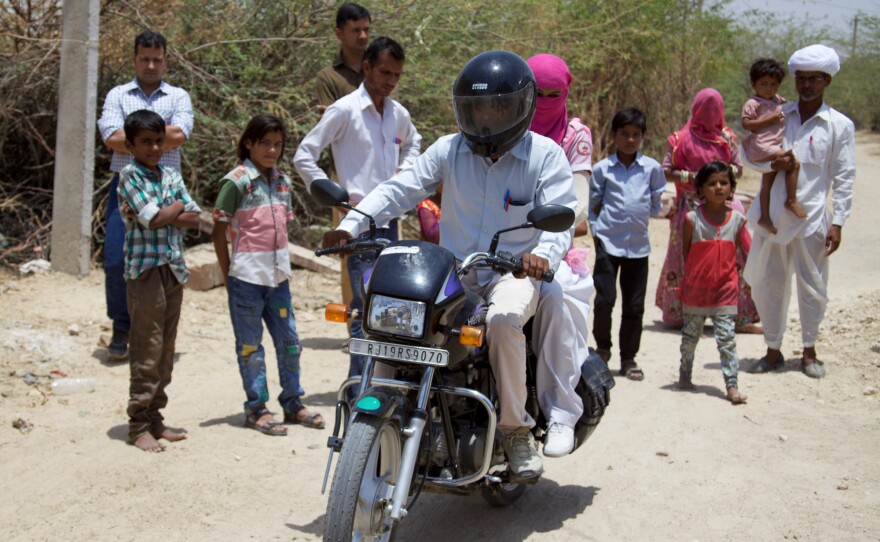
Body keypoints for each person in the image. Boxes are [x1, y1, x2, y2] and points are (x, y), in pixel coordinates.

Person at [322, 50, 584, 476]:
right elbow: (401, 187)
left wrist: (541, 256)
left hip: (512, 272)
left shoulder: (545, 156)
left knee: (503, 320)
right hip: (453, 272)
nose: (486, 118)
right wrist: (352, 225)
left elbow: (560, 218)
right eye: (476, 108)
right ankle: (374, 418)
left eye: (497, 107)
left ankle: (516, 430)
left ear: (520, 106)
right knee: (390, 322)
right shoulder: (450, 149)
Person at [294, 37, 422, 386]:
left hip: (391, 223)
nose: (391, 80)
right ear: (366, 67)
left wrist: (405, 173)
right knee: (362, 310)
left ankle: (384, 385)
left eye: (397, 74)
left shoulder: (398, 114)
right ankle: (358, 392)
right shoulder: (344, 110)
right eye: (385, 71)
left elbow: (415, 142)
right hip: (356, 224)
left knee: (392, 308)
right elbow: (304, 155)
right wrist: (331, 194)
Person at [744, 44, 855, 379]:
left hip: (812, 219)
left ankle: (809, 351)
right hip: (774, 218)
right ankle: (773, 349)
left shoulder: (839, 125)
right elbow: (747, 154)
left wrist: (838, 222)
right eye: (802, 79)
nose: (807, 85)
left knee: (813, 286)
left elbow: (844, 176)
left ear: (826, 81)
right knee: (769, 283)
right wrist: (769, 161)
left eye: (815, 79)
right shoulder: (778, 114)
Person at [212, 115, 324, 435]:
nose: (272, 150)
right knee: (251, 348)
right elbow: (218, 232)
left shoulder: (282, 182)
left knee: (290, 343)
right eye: (265, 143)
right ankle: (257, 408)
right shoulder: (235, 182)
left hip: (278, 280)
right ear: (249, 143)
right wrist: (227, 275)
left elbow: (281, 227)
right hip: (246, 280)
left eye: (277, 144)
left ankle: (293, 402)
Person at [97, 30, 194, 362]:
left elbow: (181, 134)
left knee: (164, 260)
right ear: (134, 59)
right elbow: (111, 137)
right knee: (115, 261)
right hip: (126, 186)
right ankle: (121, 327)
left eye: (157, 59)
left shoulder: (178, 96)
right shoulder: (118, 95)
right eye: (144, 58)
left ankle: (157, 332)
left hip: (166, 188)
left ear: (166, 60)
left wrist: (136, 135)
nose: (151, 65)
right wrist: (158, 134)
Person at [116, 110, 201, 452]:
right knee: (146, 348)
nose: (153, 147)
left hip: (173, 268)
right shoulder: (128, 176)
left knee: (166, 349)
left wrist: (172, 209)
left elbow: (194, 219)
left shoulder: (170, 174)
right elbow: (153, 221)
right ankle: (138, 425)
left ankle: (156, 418)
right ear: (131, 144)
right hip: (145, 270)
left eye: (157, 141)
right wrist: (174, 208)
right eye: (145, 142)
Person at [655, 88, 761, 333]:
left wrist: (717, 179)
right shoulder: (679, 140)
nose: (710, 114)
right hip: (690, 208)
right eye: (706, 109)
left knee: (732, 260)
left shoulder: (727, 137)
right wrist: (692, 177)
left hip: (723, 207)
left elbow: (738, 168)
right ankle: (685, 314)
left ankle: (737, 316)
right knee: (689, 260)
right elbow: (666, 170)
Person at [525, 54, 595, 399]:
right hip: (499, 239)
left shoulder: (574, 136)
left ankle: (559, 403)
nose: (546, 103)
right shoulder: (505, 123)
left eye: (555, 95)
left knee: (558, 301)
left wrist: (542, 220)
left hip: (552, 241)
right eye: (538, 94)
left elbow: (578, 201)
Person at [588, 108, 666, 380]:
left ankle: (629, 358)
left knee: (634, 307)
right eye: (624, 134)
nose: (630, 140)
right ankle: (602, 350)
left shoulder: (651, 168)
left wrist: (651, 213)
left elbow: (657, 200)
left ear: (642, 137)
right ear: (614, 136)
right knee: (604, 301)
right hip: (608, 244)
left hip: (638, 247)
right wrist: (597, 232)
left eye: (636, 135)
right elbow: (593, 205)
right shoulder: (603, 169)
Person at [676, 162, 748, 405]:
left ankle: (732, 385)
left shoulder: (738, 220)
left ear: (731, 187)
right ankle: (685, 374)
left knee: (727, 340)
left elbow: (737, 250)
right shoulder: (691, 219)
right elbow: (687, 253)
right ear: (701, 189)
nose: (718, 187)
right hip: (696, 292)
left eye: (724, 183)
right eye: (712, 183)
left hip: (725, 292)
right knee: (690, 339)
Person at [741, 58, 805, 234]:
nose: (768, 88)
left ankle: (765, 217)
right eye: (763, 84)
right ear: (753, 83)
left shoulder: (778, 100)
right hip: (762, 146)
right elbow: (746, 124)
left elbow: (791, 108)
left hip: (771, 145)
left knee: (767, 182)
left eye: (773, 84)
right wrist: (770, 119)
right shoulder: (753, 103)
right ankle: (791, 200)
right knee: (794, 163)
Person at [316, 2, 371, 112]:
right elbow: (331, 123)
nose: (363, 36)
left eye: (366, 30)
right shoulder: (327, 78)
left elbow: (391, 116)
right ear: (339, 33)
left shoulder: (381, 70)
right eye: (356, 30)